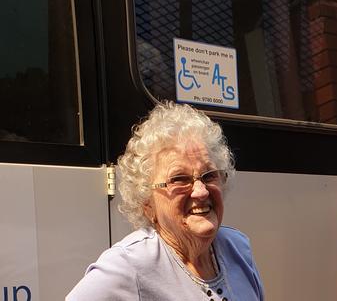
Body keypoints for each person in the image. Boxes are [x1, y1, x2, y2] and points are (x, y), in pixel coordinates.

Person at [67, 102, 264, 300]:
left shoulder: (237, 247)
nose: (201, 191)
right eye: (179, 179)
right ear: (147, 204)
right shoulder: (130, 265)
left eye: (209, 175)